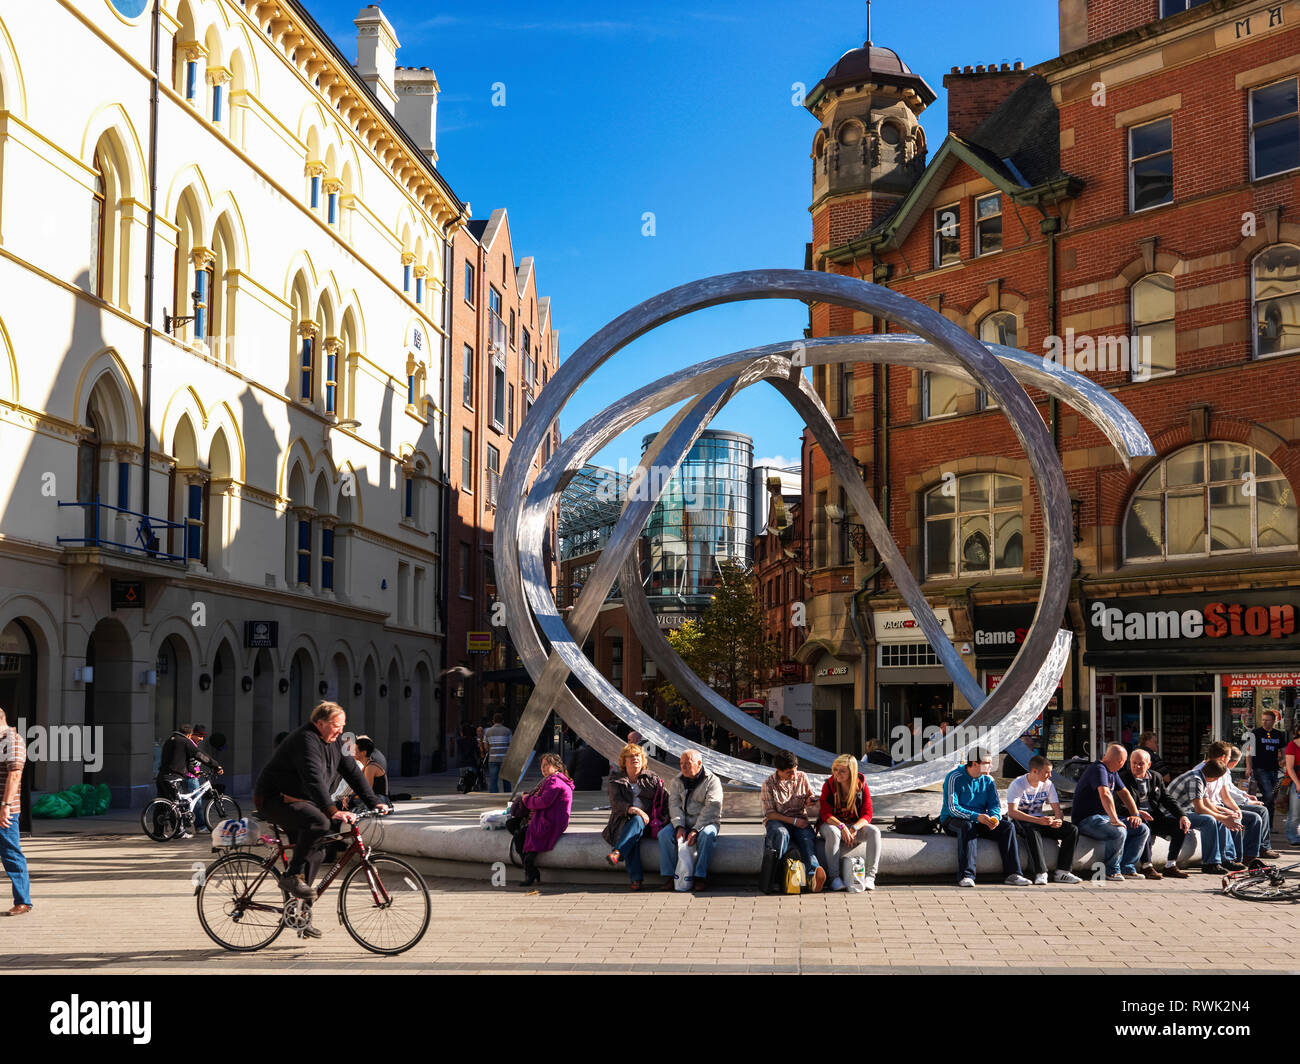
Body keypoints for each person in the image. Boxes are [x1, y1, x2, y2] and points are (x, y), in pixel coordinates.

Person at [254, 702, 389, 935]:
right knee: (320, 823)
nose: (341, 730)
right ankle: (290, 877)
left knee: (316, 852)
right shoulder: (305, 740)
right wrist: (332, 810)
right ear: (320, 723)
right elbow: (313, 778)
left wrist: (374, 801)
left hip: (303, 800)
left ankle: (299, 915)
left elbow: (353, 772)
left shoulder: (339, 741)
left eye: (343, 726)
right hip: (275, 799)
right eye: (336, 726)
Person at [940, 749, 1030, 888]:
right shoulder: (954, 777)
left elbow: (995, 805)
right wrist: (976, 816)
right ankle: (967, 875)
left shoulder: (988, 780)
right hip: (953, 820)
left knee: (1007, 827)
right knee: (967, 827)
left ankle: (1013, 874)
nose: (990, 766)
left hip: (981, 820)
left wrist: (994, 818)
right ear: (975, 764)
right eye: (987, 763)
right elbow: (952, 808)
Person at [1070, 743, 1149, 881]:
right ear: (1120, 761)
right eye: (1124, 762)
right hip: (1087, 820)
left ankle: (1127, 867)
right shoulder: (1098, 769)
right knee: (1119, 831)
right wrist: (1114, 819)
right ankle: (1111, 870)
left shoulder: (1112, 771)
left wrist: (1135, 815)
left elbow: (1124, 793)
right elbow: (1105, 793)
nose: (1123, 766)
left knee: (1142, 829)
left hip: (1104, 818)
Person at [1004, 755, 1082, 885]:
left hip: (1040, 820)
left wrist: (1058, 820)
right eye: (1047, 772)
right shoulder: (1018, 784)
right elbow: (1013, 812)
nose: (1050, 775)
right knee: (1032, 830)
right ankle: (1041, 872)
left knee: (1072, 829)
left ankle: (1063, 872)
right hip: (1021, 821)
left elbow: (1057, 809)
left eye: (1050, 772)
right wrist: (1037, 820)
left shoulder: (1048, 784)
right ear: (1034, 771)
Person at [1166, 759, 1250, 875]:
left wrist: (1224, 815)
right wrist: (1223, 818)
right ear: (1216, 778)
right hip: (1171, 815)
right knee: (1209, 820)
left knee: (1219, 818)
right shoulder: (1195, 780)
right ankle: (1210, 863)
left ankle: (1226, 859)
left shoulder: (1200, 777)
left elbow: (1208, 804)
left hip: (1185, 812)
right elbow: (1200, 808)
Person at [1195, 744, 1278, 860]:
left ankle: (1249, 856)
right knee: (1236, 818)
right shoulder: (1201, 771)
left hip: (1219, 805)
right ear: (1223, 757)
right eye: (1229, 757)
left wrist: (1237, 810)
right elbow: (1205, 803)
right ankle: (1234, 857)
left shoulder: (1221, 769)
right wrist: (1227, 812)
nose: (1230, 760)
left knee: (1253, 817)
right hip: (1207, 807)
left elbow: (1226, 795)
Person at [602, 744, 668, 890]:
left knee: (637, 824)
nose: (635, 759)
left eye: (638, 756)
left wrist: (666, 818)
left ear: (643, 759)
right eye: (631, 756)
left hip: (649, 823)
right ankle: (636, 880)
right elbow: (616, 804)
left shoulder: (652, 778)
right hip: (621, 822)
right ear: (623, 761)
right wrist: (635, 810)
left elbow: (665, 800)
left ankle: (619, 853)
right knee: (634, 835)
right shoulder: (616, 780)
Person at [1119, 748, 1190, 879]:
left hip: (1154, 816)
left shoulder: (1156, 777)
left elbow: (1167, 798)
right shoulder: (1123, 778)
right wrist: (1135, 813)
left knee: (1179, 826)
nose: (1137, 766)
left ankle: (1170, 865)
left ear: (1149, 764)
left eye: (1141, 763)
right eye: (1134, 763)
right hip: (1134, 815)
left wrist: (1182, 815)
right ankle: (1147, 866)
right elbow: (1118, 803)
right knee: (1143, 825)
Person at [761, 750, 826, 892]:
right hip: (779, 820)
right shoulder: (768, 784)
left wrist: (810, 800)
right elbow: (770, 814)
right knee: (781, 834)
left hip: (799, 819)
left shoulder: (802, 777)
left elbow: (809, 794)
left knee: (807, 838)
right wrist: (794, 821)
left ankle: (813, 875)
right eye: (790, 772)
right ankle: (778, 876)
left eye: (795, 770)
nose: (794, 775)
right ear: (779, 771)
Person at [658, 750, 723, 891]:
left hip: (706, 822)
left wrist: (695, 829)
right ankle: (671, 876)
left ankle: (700, 877)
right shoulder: (677, 780)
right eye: (681, 763)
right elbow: (674, 805)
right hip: (683, 822)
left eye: (687, 763)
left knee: (707, 835)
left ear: (699, 764)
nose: (683, 767)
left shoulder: (712, 781)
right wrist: (679, 826)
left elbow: (711, 807)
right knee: (664, 835)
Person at [817, 754, 881, 891]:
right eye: (835, 769)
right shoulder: (829, 785)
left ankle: (870, 877)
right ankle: (834, 878)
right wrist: (842, 827)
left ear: (852, 772)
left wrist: (854, 828)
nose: (837, 773)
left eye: (842, 771)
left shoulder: (862, 786)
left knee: (875, 831)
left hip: (852, 825)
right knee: (834, 832)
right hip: (831, 824)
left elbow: (867, 814)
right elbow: (825, 814)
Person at [156, 723, 222, 838]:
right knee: (175, 805)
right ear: (190, 734)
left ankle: (158, 832)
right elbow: (199, 755)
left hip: (162, 776)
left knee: (162, 804)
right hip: (173, 777)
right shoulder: (184, 741)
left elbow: (182, 759)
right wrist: (215, 766)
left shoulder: (169, 740)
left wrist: (193, 770)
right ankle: (179, 832)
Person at [519, 753, 574, 887]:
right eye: (541, 766)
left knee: (521, 836)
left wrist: (526, 799)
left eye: (546, 765)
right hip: (551, 819)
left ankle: (530, 870)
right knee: (519, 832)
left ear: (556, 767)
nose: (543, 768)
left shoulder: (554, 781)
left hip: (549, 822)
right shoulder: (557, 779)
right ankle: (530, 869)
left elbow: (543, 802)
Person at [0, 707, 32, 915]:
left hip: (5, 810)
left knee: (11, 853)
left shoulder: (13, 741)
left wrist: (6, 806)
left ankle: (23, 901)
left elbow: (15, 775)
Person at [1246, 710, 1286, 835]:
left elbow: (1283, 750)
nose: (1264, 722)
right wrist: (1248, 767)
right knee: (1268, 796)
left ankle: (1269, 826)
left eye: (1267, 720)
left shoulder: (1278, 734)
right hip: (1260, 769)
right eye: (1263, 719)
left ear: (1274, 721)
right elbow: (1249, 751)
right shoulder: (1256, 733)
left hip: (1274, 770)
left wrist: (1284, 761)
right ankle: (1262, 822)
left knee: (1272, 798)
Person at [341, 736, 388, 809]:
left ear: (363, 753)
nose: (352, 752)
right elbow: (360, 789)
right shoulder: (366, 766)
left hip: (379, 801)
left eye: (354, 750)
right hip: (374, 799)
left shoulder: (370, 767)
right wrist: (348, 797)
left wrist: (350, 798)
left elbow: (367, 792)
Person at [483, 713, 513, 794]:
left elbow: (486, 747)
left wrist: (491, 751)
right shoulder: (508, 731)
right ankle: (507, 795)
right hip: (505, 759)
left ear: (493, 721)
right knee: (506, 780)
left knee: (493, 780)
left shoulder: (487, 731)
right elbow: (511, 745)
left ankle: (493, 796)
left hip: (493, 759)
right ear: (502, 721)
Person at [1285, 724, 1300, 846]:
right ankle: (1292, 837)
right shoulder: (1292, 745)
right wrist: (1298, 783)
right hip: (1296, 781)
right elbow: (1289, 768)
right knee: (1294, 812)